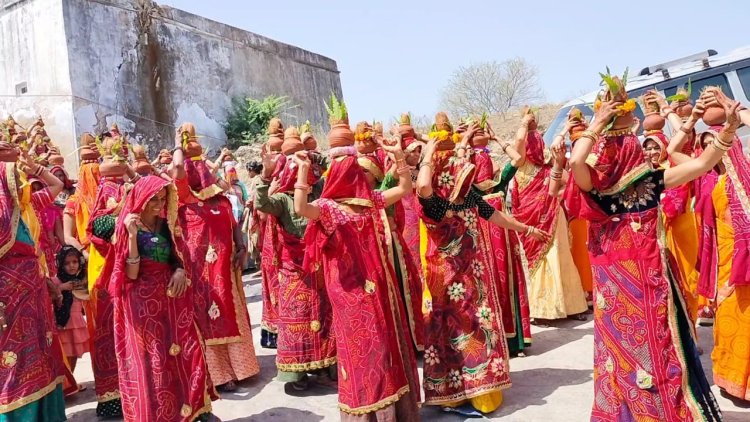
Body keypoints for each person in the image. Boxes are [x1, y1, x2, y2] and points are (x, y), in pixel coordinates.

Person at [567, 72, 729, 420]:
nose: (638, 148)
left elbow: (702, 164)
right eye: (631, 141)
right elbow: (576, 162)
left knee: (651, 348)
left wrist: (726, 132)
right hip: (625, 285)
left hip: (643, 281)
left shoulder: (645, 182)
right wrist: (598, 123)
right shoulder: (597, 187)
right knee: (629, 350)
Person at [293, 99, 420, 421]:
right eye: (345, 167)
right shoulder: (328, 208)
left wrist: (398, 156)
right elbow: (299, 209)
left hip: (376, 289)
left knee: (382, 346)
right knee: (363, 352)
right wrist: (304, 173)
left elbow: (405, 187)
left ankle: (393, 411)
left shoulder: (371, 202)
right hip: (349, 295)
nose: (350, 172)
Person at [416, 112, 548, 416]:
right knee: (452, 330)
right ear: (445, 176)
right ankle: (455, 393)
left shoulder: (467, 199)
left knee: (473, 327)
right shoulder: (436, 205)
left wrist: (527, 230)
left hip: (471, 280)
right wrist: (428, 155)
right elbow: (423, 187)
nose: (465, 174)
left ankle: (478, 392)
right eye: (458, 171)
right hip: (446, 281)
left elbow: (496, 216)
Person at [110, 176, 216, 421]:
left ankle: (193, 409)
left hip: (172, 299)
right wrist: (133, 236)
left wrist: (179, 270)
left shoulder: (167, 225)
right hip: (143, 304)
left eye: (162, 199)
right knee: (155, 359)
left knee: (187, 350)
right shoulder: (127, 227)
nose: (159, 204)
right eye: (154, 200)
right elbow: (131, 273)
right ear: (142, 200)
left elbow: (180, 258)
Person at [172, 122, 259, 392]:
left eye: (198, 166)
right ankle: (218, 375)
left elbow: (235, 227)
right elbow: (176, 171)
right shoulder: (185, 199)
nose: (197, 172)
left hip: (227, 270)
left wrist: (242, 248)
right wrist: (178, 145)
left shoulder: (221, 201)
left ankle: (240, 367)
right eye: (192, 167)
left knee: (230, 315)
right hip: (198, 275)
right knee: (206, 320)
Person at [255, 126, 336, 390]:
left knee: (324, 317)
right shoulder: (282, 199)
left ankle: (325, 366)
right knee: (297, 320)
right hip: (293, 269)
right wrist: (266, 175)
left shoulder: (319, 191)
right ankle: (296, 374)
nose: (302, 167)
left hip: (319, 267)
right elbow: (262, 205)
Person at [0, 141, 67, 422]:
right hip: (8, 298)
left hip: (34, 291)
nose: (23, 183)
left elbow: (55, 187)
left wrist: (35, 167)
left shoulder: (26, 206)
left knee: (42, 353)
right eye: (16, 177)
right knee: (14, 364)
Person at [511, 107, 588, 326]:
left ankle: (571, 306)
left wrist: (556, 196)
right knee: (546, 257)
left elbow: (569, 183)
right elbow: (517, 143)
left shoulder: (547, 168)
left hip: (554, 216)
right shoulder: (521, 167)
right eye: (530, 143)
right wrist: (525, 124)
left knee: (561, 254)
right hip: (534, 220)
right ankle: (546, 309)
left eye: (537, 143)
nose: (535, 147)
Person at [52, 246, 90, 373]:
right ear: (60, 265)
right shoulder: (55, 281)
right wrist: (61, 288)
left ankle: (71, 382)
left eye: (75, 262)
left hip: (76, 323)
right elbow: (48, 297)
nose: (72, 266)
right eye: (67, 263)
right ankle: (65, 384)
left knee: (74, 353)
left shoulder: (81, 282)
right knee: (64, 354)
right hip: (62, 324)